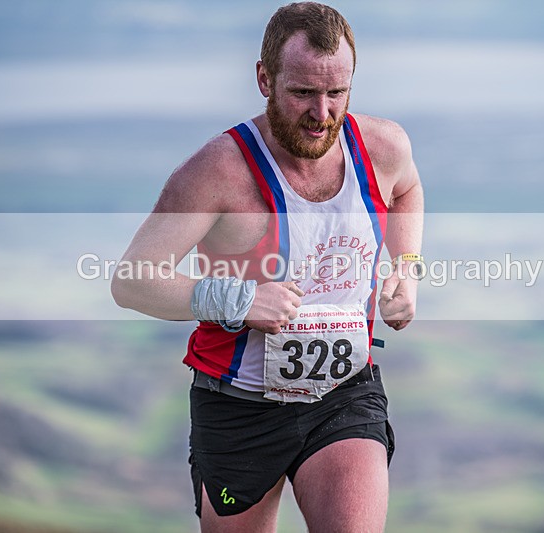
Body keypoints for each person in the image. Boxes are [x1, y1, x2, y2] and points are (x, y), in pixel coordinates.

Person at [112, 2, 423, 531]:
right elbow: (132, 281)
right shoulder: (216, 172)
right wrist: (237, 300)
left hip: (344, 391)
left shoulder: (383, 147)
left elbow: (408, 189)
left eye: (337, 93)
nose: (322, 113)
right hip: (239, 403)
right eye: (303, 92)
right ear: (264, 78)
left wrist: (407, 266)